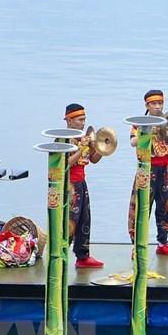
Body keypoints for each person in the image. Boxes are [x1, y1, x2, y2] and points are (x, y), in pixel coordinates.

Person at [128, 90, 168, 257]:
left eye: (160, 103)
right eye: (154, 103)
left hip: (164, 169)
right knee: (141, 207)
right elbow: (132, 142)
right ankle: (137, 245)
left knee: (165, 206)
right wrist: (148, 131)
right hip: (147, 170)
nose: (158, 106)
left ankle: (162, 242)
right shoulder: (140, 123)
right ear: (147, 105)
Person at [64, 103, 104, 268]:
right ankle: (60, 254)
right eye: (79, 120)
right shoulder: (63, 140)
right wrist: (81, 149)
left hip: (81, 183)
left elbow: (93, 160)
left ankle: (82, 256)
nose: (82, 123)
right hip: (68, 185)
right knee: (69, 220)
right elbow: (64, 164)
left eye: (84, 119)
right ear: (69, 121)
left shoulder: (83, 138)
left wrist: (101, 148)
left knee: (84, 219)